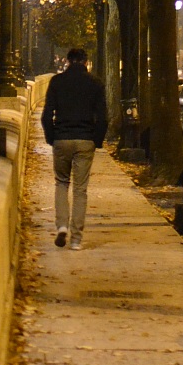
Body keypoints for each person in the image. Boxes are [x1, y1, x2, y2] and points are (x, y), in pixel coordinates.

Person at [40, 47, 108, 250]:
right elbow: (103, 118)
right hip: (85, 140)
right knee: (80, 190)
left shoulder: (57, 82)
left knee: (61, 183)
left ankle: (61, 226)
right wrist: (96, 141)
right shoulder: (96, 83)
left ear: (68, 61)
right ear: (86, 62)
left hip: (62, 138)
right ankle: (76, 238)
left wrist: (52, 138)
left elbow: (46, 116)